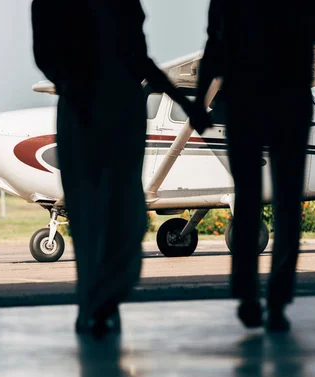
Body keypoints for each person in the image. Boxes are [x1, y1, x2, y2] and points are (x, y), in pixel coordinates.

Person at [31, 0, 211, 337]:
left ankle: (104, 302)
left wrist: (187, 103)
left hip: (116, 114)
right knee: (90, 218)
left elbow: (138, 58)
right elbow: (46, 52)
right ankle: (94, 304)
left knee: (123, 216)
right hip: (87, 111)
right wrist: (75, 89)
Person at [196, 0, 315, 332]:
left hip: (242, 101)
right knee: (287, 203)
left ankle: (248, 296)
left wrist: (199, 102)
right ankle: (278, 301)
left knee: (247, 199)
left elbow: (213, 45)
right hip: (289, 100)